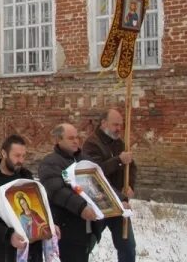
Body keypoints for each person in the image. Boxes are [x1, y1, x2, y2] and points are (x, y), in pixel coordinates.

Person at [0, 135, 46, 262]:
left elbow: (36, 208)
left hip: (31, 251)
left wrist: (48, 224)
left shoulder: (26, 177)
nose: (21, 160)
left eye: (23, 156)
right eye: (17, 156)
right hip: (2, 252)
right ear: (4, 153)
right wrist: (8, 235)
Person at [39, 123, 100, 262]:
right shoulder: (50, 162)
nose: (76, 141)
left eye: (77, 137)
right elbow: (57, 190)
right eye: (71, 138)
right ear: (58, 140)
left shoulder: (85, 160)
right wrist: (81, 207)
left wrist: (121, 200)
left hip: (88, 228)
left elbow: (101, 183)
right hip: (67, 229)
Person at [82, 109, 136, 262]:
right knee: (87, 244)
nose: (119, 128)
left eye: (121, 125)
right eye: (115, 125)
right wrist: (118, 160)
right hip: (99, 203)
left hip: (120, 204)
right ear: (103, 123)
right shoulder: (91, 144)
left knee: (128, 246)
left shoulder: (120, 143)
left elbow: (132, 167)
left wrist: (130, 186)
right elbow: (95, 173)